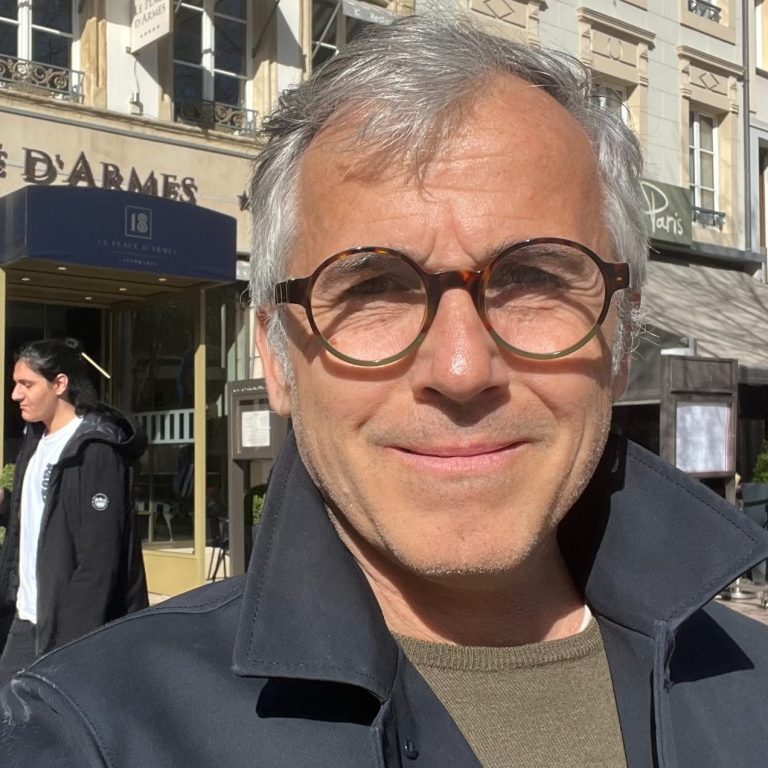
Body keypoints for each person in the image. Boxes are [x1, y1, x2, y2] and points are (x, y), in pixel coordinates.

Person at [2, 14, 768, 767]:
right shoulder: (95, 735)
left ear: (622, 336)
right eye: (371, 288)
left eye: (534, 279)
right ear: (278, 361)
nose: (461, 370)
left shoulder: (752, 687)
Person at [0, 338, 148, 683]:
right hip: (26, 620)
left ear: (60, 384)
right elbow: (46, 518)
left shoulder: (96, 449)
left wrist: (69, 646)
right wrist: (7, 504)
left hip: (68, 632)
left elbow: (99, 559)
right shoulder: (35, 441)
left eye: (26, 384)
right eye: (15, 383)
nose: (15, 394)